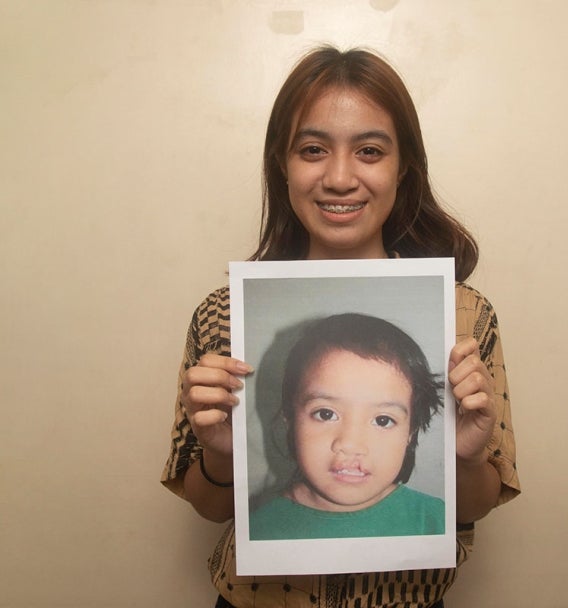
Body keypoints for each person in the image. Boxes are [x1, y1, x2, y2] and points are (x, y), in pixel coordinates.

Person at [161, 45, 520, 608]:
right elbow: (210, 508)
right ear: (282, 163)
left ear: (404, 167)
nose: (339, 177)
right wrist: (221, 452)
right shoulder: (224, 314)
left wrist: (470, 457)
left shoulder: (465, 315)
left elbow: (473, 506)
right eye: (312, 149)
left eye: (370, 150)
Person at [249, 312, 445, 540]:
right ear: (289, 418)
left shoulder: (437, 521)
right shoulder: (256, 531)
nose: (351, 444)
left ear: (410, 431)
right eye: (326, 414)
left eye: (382, 420)